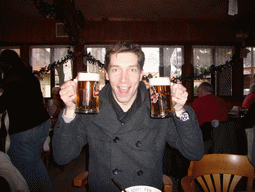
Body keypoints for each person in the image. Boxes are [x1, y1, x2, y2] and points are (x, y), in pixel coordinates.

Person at [52, 41, 204, 192]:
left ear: (141, 75)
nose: (123, 79)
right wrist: (70, 109)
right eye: (116, 70)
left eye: (131, 70)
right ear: (106, 74)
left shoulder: (159, 107)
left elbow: (194, 152)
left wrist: (180, 110)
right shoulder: (90, 108)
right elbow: (62, 157)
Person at [0, 50, 53, 192]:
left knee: (22, 168)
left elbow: (2, 104)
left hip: (26, 128)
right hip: (42, 124)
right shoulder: (28, 75)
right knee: (35, 162)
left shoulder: (12, 78)